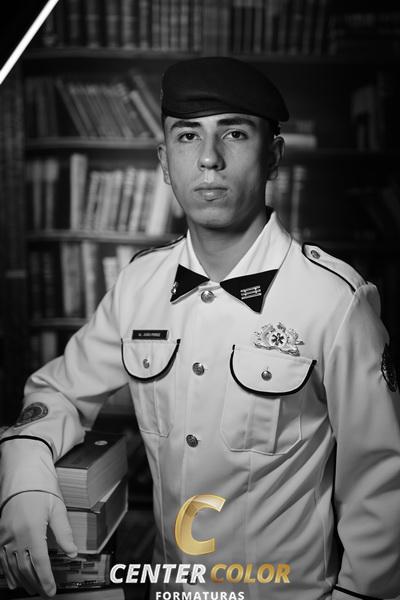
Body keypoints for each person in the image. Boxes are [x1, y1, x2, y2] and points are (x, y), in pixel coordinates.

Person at [0, 57, 399, 600]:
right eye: (188, 136)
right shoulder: (139, 285)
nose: (209, 158)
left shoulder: (335, 301)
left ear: (273, 156)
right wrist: (24, 470)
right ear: (165, 162)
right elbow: (57, 392)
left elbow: (381, 483)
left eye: (234, 133)